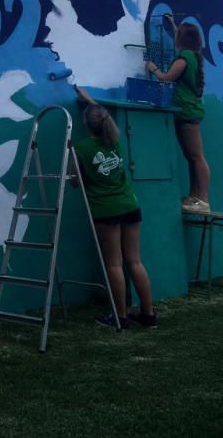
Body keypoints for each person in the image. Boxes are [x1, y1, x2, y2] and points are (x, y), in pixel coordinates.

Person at [72, 86, 157, 330]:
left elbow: (75, 182)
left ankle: (119, 317)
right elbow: (102, 115)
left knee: (114, 264)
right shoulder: (114, 141)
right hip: (130, 206)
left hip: (106, 211)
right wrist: (89, 99)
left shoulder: (81, 149)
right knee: (135, 261)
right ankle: (148, 314)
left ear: (86, 125)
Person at [146, 20, 210, 214]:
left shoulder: (182, 59)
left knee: (196, 157)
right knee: (192, 157)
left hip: (187, 113)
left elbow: (166, 78)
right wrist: (174, 25)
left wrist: (153, 68)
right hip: (190, 111)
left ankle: (203, 200)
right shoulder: (193, 56)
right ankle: (194, 197)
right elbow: (181, 37)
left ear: (180, 39)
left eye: (176, 35)